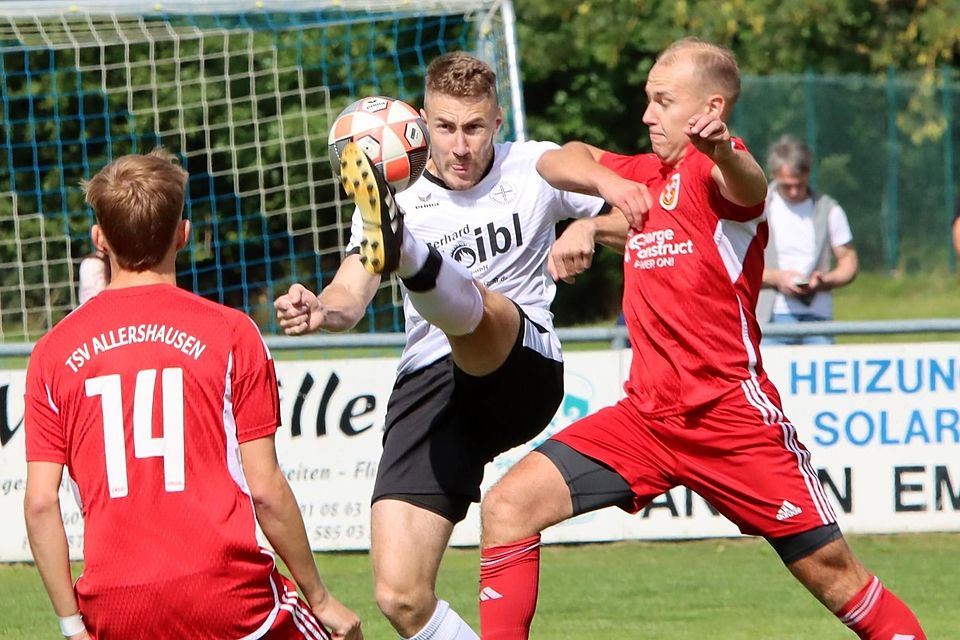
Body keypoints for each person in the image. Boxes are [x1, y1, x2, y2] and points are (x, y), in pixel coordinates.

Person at [478, 38, 926, 640]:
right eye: (648, 99)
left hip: (731, 419)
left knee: (838, 578)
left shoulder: (717, 169)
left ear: (709, 108)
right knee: (507, 507)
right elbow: (560, 160)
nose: (647, 114)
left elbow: (748, 185)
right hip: (646, 422)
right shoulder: (642, 174)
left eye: (663, 101)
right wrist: (595, 210)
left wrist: (720, 147)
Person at [275, 52, 626, 640]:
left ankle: (411, 254)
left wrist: (589, 225)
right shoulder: (400, 197)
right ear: (422, 124)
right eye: (445, 128)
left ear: (496, 123)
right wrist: (319, 310)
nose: (460, 146)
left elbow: (629, 208)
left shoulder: (531, 166)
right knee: (401, 596)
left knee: (482, 311)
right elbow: (349, 295)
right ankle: (409, 253)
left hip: (522, 366)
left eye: (474, 128)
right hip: (433, 386)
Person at [23, 149, 362, 640]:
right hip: (229, 596)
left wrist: (72, 626)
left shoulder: (51, 354)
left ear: (99, 240)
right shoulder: (232, 333)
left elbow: (39, 503)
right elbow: (265, 489)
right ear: (183, 234)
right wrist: (322, 598)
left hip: (116, 607)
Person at [757, 135, 858, 345]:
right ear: (773, 174)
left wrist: (823, 281)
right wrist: (777, 278)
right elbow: (735, 265)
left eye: (800, 184)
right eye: (786, 186)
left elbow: (849, 262)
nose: (794, 191)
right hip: (770, 318)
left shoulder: (829, 210)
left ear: (808, 173)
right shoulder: (756, 208)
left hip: (818, 319)